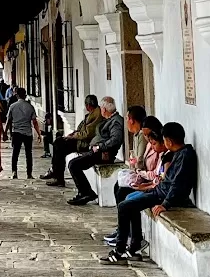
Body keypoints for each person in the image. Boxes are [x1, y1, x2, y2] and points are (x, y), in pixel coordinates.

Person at [103, 121, 198, 263]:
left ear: (169, 142)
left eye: (164, 140)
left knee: (124, 206)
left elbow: (179, 184)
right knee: (129, 203)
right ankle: (134, 245)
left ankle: (119, 251)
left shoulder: (185, 156)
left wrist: (166, 204)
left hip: (163, 195)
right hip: (159, 191)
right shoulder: (179, 153)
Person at [67, 96, 125, 205]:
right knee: (74, 163)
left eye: (101, 108)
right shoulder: (110, 119)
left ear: (104, 109)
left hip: (103, 154)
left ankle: (86, 193)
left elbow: (115, 139)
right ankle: (85, 192)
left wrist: (99, 147)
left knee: (74, 164)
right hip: (97, 151)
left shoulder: (116, 121)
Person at [46, 95, 102, 186]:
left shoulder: (96, 115)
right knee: (58, 143)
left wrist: (74, 136)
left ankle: (57, 175)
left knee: (59, 146)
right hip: (80, 140)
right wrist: (73, 134)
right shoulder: (92, 113)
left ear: (88, 105)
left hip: (84, 143)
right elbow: (82, 129)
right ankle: (56, 172)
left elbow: (87, 134)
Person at [5, 88, 40, 178]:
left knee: (15, 153)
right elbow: (34, 122)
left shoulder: (12, 106)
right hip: (27, 133)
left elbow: (8, 121)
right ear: (25, 95)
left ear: (17, 95)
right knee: (29, 154)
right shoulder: (30, 107)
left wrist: (5, 133)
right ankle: (29, 173)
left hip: (16, 132)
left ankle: (14, 172)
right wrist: (39, 134)